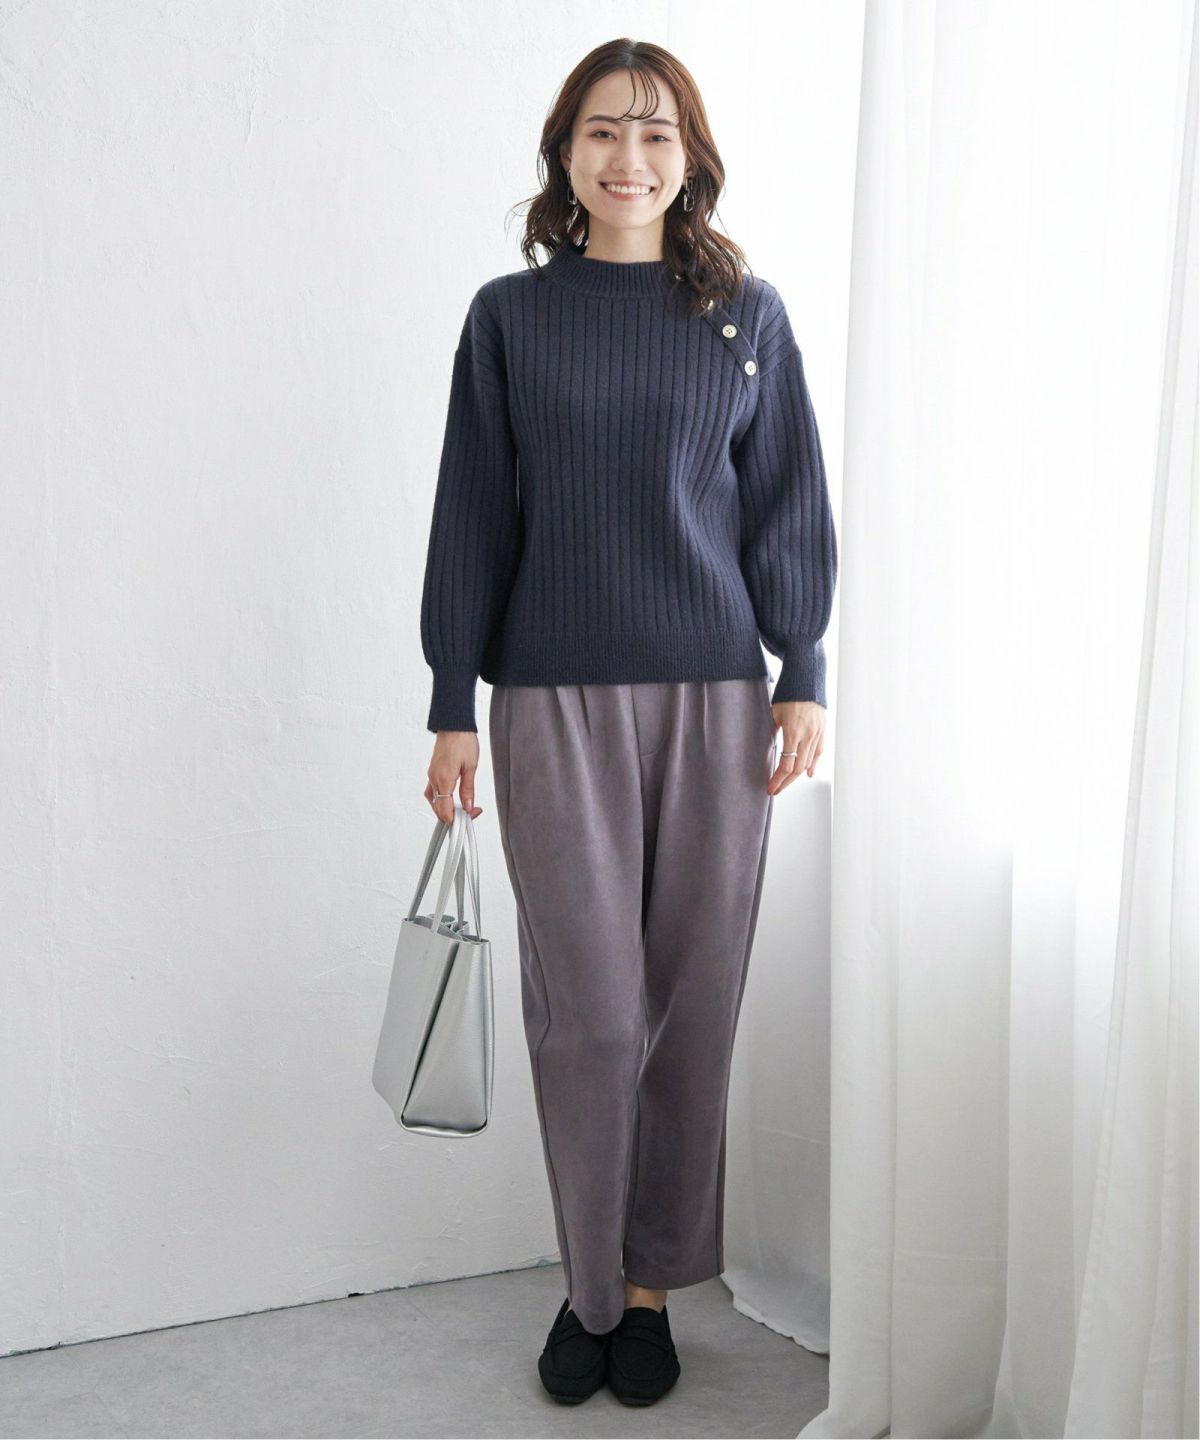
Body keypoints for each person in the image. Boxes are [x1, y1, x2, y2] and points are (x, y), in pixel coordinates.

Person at [418, 37, 838, 1408]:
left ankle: (650, 1291)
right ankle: (588, 1290)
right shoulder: (510, 319)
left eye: (657, 134)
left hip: (717, 700)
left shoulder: (745, 317)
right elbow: (473, 513)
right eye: (604, 130)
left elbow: (784, 500)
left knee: (692, 1005)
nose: (630, 157)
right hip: (550, 699)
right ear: (565, 153)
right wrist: (452, 700)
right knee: (591, 1016)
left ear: (691, 158)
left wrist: (803, 667)